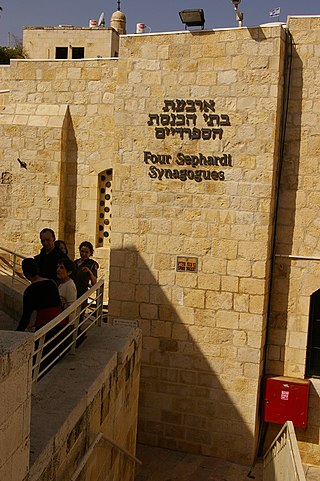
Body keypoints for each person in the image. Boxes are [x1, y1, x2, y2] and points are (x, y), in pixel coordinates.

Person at [16, 258, 62, 331]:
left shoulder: (30, 290)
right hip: (60, 322)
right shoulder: (52, 283)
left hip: (44, 326)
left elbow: (26, 316)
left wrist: (17, 332)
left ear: (25, 273)